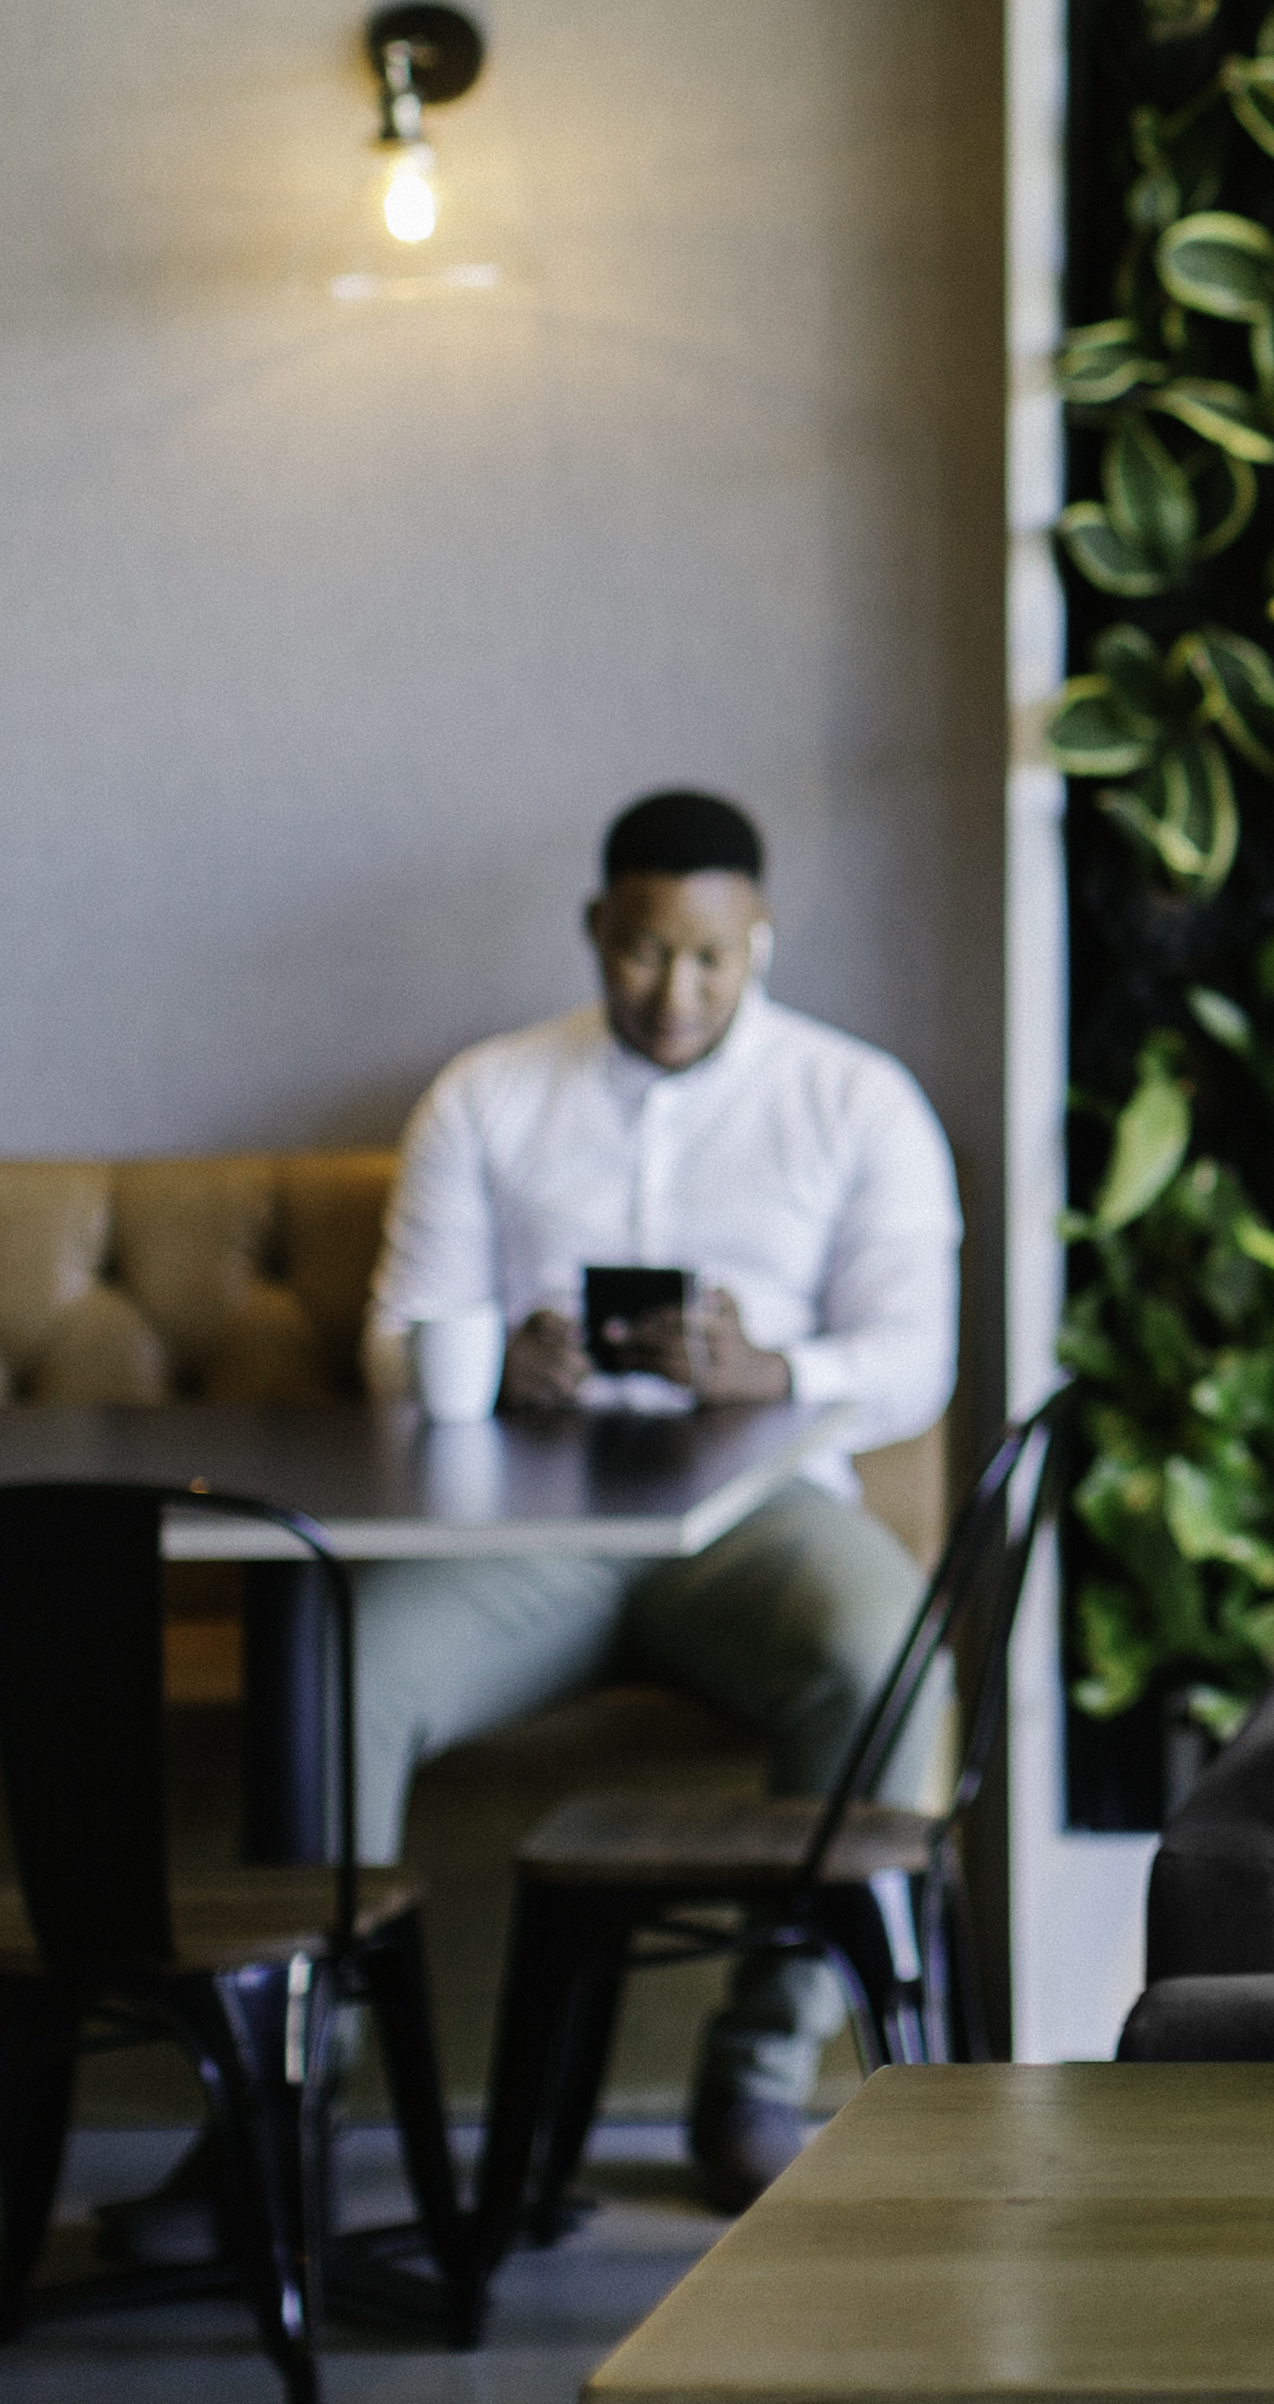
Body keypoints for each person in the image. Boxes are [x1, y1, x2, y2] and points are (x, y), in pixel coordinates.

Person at [352, 786, 964, 2207]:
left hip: (760, 1513)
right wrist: (501, 1363)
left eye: (708, 955)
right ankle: (279, 2086)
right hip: (532, 1524)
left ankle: (756, 2072)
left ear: (759, 937)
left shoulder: (855, 1099)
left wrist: (770, 1368)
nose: (673, 988)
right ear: (594, 929)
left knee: (888, 1665)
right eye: (640, 952)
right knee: (334, 1671)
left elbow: (915, 1365)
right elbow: (390, 1340)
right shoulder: (487, 1091)